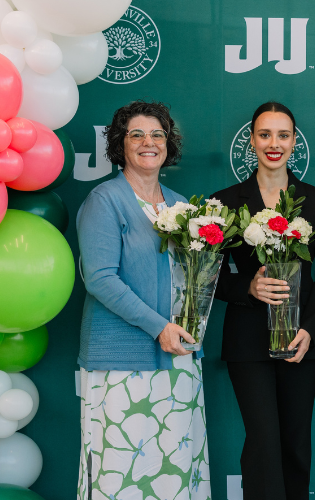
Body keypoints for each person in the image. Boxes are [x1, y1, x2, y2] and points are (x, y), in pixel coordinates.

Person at [75, 100, 211, 500]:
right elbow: (99, 279)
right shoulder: (105, 200)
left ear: (168, 144)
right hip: (121, 363)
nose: (148, 142)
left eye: (157, 134)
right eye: (137, 134)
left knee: (173, 468)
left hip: (179, 358)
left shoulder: (181, 204)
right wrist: (159, 328)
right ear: (121, 144)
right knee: (123, 473)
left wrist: (187, 327)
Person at [211, 102, 315, 500]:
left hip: (301, 342)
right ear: (251, 140)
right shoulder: (226, 201)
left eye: (283, 135)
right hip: (248, 341)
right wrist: (247, 289)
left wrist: (310, 330)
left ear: (294, 142)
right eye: (265, 135)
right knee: (263, 442)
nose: (274, 143)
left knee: (296, 445)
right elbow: (209, 276)